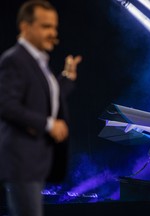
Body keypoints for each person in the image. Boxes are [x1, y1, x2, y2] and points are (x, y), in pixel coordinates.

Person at [0, 1, 82, 215]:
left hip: (36, 163)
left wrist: (66, 78)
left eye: (54, 27)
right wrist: (48, 125)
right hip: (21, 163)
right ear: (25, 27)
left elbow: (45, 101)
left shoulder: (36, 63)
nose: (53, 33)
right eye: (46, 26)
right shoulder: (14, 60)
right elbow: (6, 105)